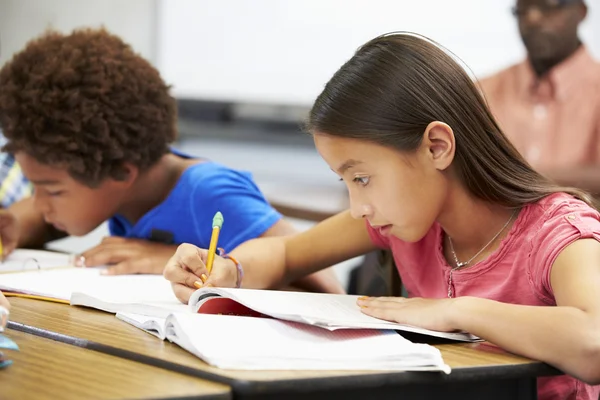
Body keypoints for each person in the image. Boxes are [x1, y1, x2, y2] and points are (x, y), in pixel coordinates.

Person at [164, 33, 600, 400]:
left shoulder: (559, 232)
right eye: (346, 183)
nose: (358, 207)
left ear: (436, 147)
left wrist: (458, 312)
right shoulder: (413, 221)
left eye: (363, 178)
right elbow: (283, 252)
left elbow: (593, 341)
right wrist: (229, 270)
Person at [0, 28, 343, 294]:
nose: (41, 204)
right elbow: (37, 216)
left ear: (121, 173)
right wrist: (12, 227)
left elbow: (326, 286)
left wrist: (172, 261)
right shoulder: (118, 185)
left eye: (53, 192)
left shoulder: (209, 193)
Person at [480, 0, 600, 194]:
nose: (533, 18)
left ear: (581, 12)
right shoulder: (482, 91)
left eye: (548, 7)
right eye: (522, 10)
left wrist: (516, 179)